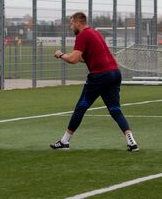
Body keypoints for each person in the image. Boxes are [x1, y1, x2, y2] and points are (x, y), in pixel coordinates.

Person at [50, 12, 139, 152]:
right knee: (115, 110)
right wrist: (68, 55)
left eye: (72, 22)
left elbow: (73, 60)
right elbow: (86, 58)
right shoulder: (95, 33)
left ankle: (64, 142)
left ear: (79, 22)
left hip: (100, 77)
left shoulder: (82, 35)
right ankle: (132, 141)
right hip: (114, 74)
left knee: (81, 107)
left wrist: (61, 55)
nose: (70, 25)